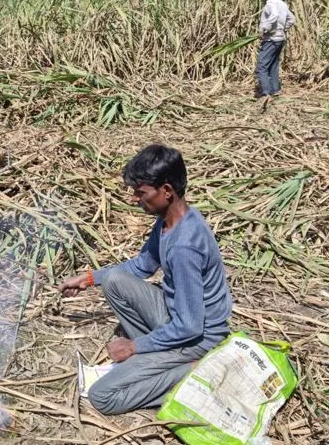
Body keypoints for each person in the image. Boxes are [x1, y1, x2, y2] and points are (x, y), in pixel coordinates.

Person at [59, 145, 232, 415]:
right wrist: (91, 278)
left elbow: (189, 326)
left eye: (141, 193)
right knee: (115, 280)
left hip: (198, 338)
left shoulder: (185, 247)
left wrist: (134, 346)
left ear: (166, 191)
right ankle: (158, 357)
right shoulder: (170, 219)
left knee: (103, 396)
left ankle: (194, 369)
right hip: (179, 318)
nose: (135, 199)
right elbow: (142, 265)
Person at [255, 0, 295, 104]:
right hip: (280, 39)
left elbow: (274, 15)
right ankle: (275, 89)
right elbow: (292, 19)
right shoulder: (282, 4)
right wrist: (282, 29)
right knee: (273, 64)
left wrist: (264, 30)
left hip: (271, 39)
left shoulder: (270, 4)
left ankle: (266, 93)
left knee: (261, 67)